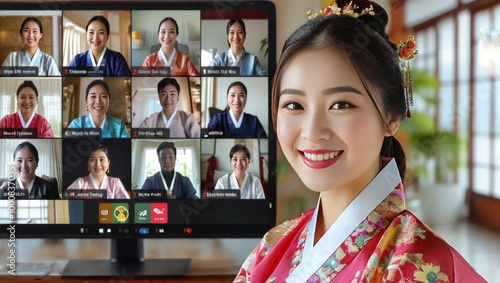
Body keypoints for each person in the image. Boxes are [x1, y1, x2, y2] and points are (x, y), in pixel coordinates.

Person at [234, 1, 487, 282]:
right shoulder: (271, 245)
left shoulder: (423, 262)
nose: (312, 131)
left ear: (391, 118)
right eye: (294, 105)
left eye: (341, 104)